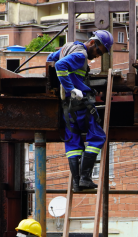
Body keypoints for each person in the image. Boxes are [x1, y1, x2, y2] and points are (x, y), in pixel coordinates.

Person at [47, 30, 114, 192]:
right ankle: (85, 178)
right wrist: (71, 88)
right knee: (97, 136)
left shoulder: (69, 47)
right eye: (99, 51)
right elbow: (60, 65)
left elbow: (51, 60)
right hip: (80, 102)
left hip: (67, 106)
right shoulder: (81, 55)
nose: (98, 56)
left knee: (73, 142)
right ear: (92, 42)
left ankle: (77, 184)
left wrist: (62, 86)